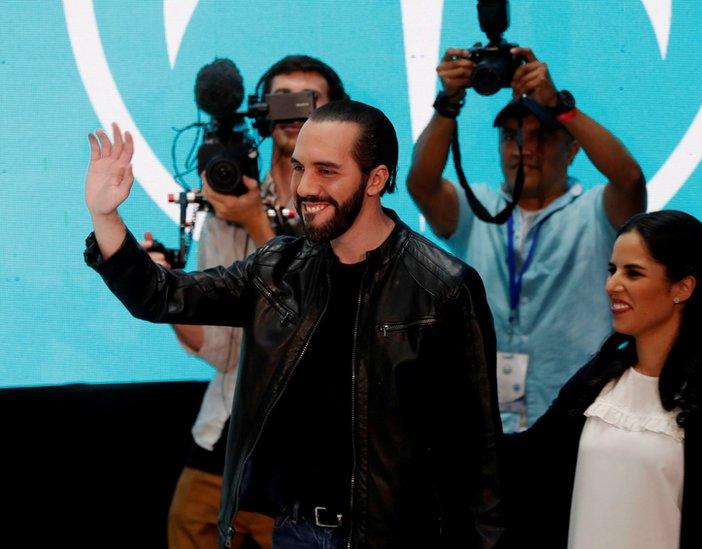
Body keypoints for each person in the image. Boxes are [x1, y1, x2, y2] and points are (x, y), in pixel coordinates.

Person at [83, 101, 503, 548]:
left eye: (327, 171)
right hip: (293, 531)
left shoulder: (442, 286)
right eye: (300, 168)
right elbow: (162, 295)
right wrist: (105, 216)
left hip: (395, 536)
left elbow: (477, 453)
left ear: (376, 179)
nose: (305, 187)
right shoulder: (277, 269)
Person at [145, 55, 348, 549]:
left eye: (311, 101)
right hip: (226, 432)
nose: (296, 112)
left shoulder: (349, 206)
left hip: (310, 455)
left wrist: (258, 223)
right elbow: (220, 352)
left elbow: (317, 325)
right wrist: (168, 288)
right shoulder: (226, 202)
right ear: (262, 110)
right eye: (283, 100)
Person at [407, 46, 646, 431]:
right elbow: (421, 183)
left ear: (572, 150)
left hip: (582, 414)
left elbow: (630, 179)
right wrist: (448, 102)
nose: (524, 150)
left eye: (542, 137)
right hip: (490, 419)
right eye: (511, 137)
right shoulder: (479, 208)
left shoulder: (597, 211)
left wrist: (561, 107)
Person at [500, 211, 702, 549]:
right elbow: (529, 460)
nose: (611, 285)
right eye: (612, 270)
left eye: (633, 273)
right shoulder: (598, 379)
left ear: (683, 287)